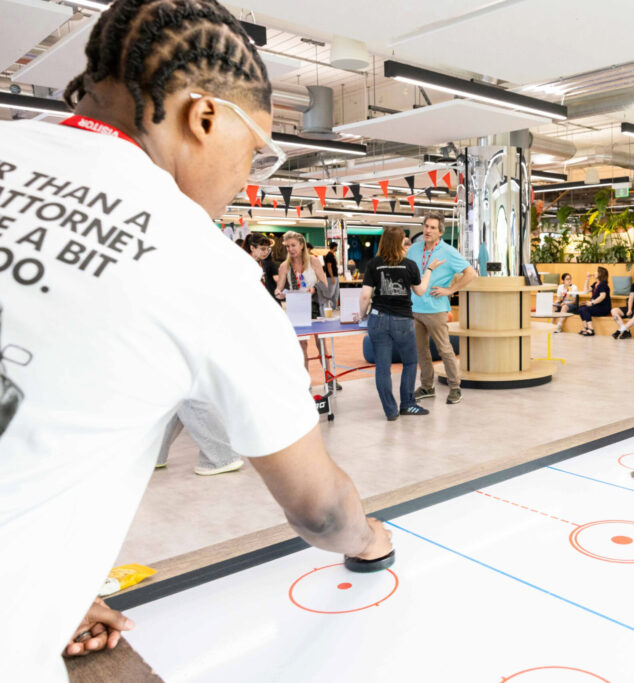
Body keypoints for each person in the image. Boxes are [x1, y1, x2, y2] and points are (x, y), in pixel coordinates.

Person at [0, 2, 390, 677]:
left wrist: (43, 587)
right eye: (256, 153)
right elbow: (321, 509)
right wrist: (369, 538)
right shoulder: (203, 265)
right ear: (204, 118)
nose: (246, 180)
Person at [360, 227, 443, 420]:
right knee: (410, 362)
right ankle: (407, 404)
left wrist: (362, 315)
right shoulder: (410, 265)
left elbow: (365, 295)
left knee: (382, 367)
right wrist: (429, 270)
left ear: (383, 242)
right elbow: (421, 290)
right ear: (400, 243)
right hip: (403, 321)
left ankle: (390, 411)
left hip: (378, 318)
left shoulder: (373, 264)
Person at [407, 212, 478, 404]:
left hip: (436, 309)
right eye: (426, 226)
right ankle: (427, 386)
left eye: (432, 228)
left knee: (445, 349)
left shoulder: (448, 251)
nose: (427, 230)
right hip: (415, 308)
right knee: (421, 350)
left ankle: (455, 388)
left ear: (440, 233)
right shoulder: (413, 249)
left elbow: (471, 273)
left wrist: (450, 290)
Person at [577, 267, 611, 336]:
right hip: (596, 306)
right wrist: (587, 279)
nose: (594, 273)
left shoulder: (603, 284)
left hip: (603, 308)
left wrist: (592, 303)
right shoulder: (596, 283)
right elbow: (586, 290)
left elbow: (602, 296)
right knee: (580, 308)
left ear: (600, 274)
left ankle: (591, 329)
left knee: (585, 309)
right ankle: (585, 327)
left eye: (596, 271)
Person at [245, 232, 278, 299]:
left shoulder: (265, 264)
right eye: (263, 249)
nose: (266, 252)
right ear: (252, 248)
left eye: (268, 249)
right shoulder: (245, 264)